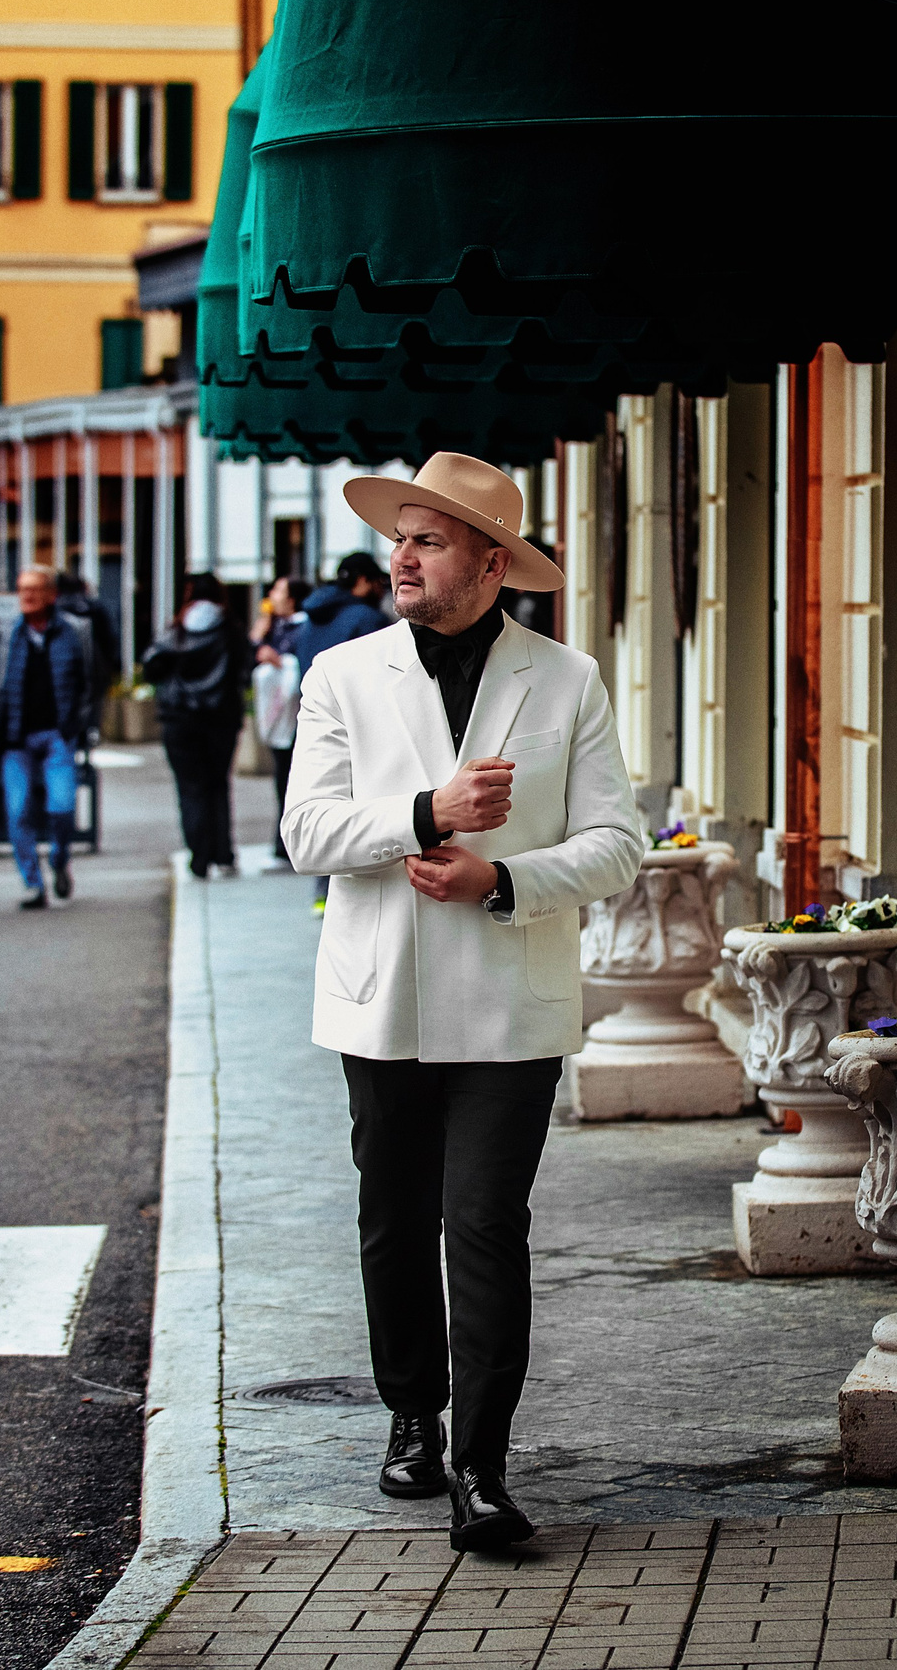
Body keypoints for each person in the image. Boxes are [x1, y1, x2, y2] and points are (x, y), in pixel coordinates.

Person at [283, 452, 641, 1551]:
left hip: (507, 999)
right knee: (393, 1222)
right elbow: (306, 835)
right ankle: (410, 1416)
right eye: (400, 537)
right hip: (380, 997)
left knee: (485, 1225)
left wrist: (506, 881)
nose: (401, 556)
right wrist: (425, 815)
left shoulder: (565, 678)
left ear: (490, 564)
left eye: (427, 541)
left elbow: (617, 848)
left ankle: (481, 1468)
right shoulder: (341, 676)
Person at [0, 566, 90, 910]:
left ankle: (59, 858)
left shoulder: (75, 632)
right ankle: (33, 884)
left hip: (57, 735)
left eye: (35, 590)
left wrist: (78, 726)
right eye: (22, 590)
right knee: (18, 811)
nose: (27, 597)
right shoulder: (7, 633)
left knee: (63, 806)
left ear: (52, 595)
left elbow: (89, 683)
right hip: (15, 740)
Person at [290, 550, 391, 914]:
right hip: (366, 729)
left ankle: (321, 892)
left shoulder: (311, 619)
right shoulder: (368, 619)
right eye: (379, 582)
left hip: (317, 725)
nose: (383, 589)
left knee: (323, 805)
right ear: (363, 582)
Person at [142, 574, 247, 877]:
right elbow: (243, 667)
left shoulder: (175, 630)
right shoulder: (230, 629)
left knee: (190, 788)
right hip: (221, 718)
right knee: (218, 784)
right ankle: (223, 853)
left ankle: (198, 857)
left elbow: (152, 664)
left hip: (179, 719)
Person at [253, 577, 305, 867]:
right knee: (280, 780)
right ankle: (281, 841)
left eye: (278, 591)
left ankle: (286, 842)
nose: (272, 595)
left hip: (294, 717)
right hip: (279, 718)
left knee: (289, 780)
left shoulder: (302, 628)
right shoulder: (275, 626)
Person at [53, 568, 120, 700]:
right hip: (95, 671)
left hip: (62, 671)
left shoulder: (55, 610)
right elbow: (109, 640)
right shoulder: (94, 608)